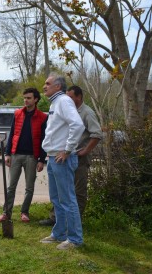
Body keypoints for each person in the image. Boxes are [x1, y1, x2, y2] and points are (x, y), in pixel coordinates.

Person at [39, 85, 102, 226]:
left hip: (78, 156)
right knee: (60, 191)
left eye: (71, 97)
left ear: (79, 97)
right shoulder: (65, 108)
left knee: (77, 191)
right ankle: (56, 219)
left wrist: (85, 150)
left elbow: (97, 134)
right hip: (63, 156)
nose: (68, 99)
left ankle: (75, 222)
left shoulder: (87, 112)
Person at [40, 73, 85, 250]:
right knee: (57, 199)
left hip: (62, 159)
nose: (44, 86)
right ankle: (59, 234)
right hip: (52, 157)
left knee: (67, 200)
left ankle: (75, 239)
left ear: (58, 86)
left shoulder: (64, 101)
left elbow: (78, 125)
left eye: (48, 83)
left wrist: (67, 150)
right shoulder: (55, 103)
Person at [0, 88, 48, 223]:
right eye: (25, 98)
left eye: (29, 98)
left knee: (29, 187)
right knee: (11, 186)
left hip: (32, 157)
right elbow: (12, 133)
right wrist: (7, 153)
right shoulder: (18, 113)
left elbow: (44, 139)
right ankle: (6, 212)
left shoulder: (42, 117)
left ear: (35, 99)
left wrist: (41, 159)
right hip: (16, 155)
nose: (26, 100)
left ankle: (24, 212)